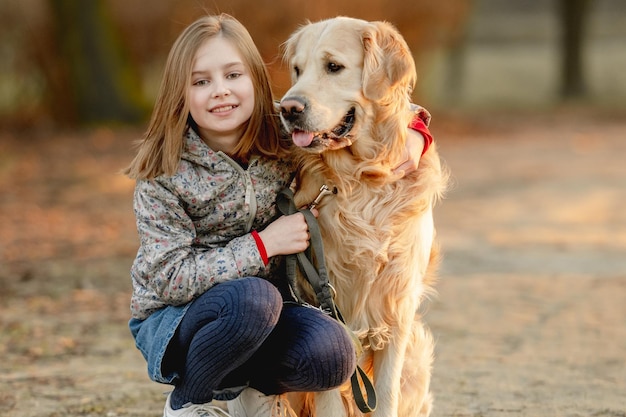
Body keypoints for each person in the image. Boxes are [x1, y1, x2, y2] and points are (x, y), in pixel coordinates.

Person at [124, 13, 433, 417]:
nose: (220, 92)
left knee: (331, 349)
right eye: (201, 82)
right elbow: (167, 277)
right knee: (253, 299)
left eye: (233, 76)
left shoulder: (283, 135)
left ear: (255, 79)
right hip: (178, 321)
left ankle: (258, 393)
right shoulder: (163, 170)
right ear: (179, 93)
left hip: (264, 320)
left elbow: (385, 113)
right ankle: (186, 404)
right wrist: (262, 246)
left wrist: (417, 133)